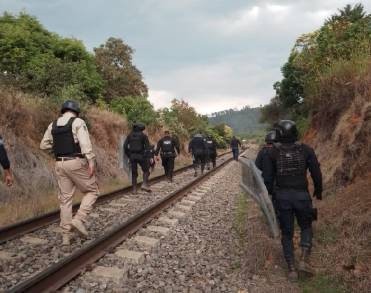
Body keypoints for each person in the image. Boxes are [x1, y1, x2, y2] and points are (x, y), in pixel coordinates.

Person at [261, 120, 322, 282]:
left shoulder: (271, 153)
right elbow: (316, 172)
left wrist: (272, 194)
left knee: (287, 233)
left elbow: (267, 178)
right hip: (302, 196)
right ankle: (303, 259)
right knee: (306, 226)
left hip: (282, 198)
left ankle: (291, 269)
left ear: (279, 134)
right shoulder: (306, 150)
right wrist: (318, 190)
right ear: (295, 132)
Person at [40, 100, 99, 250]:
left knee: (65, 199)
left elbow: (43, 145)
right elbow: (85, 144)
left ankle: (66, 236)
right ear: (76, 111)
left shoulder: (52, 124)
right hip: (76, 162)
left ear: (63, 110)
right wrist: (91, 161)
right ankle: (79, 219)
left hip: (59, 163)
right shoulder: (78, 122)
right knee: (92, 191)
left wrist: (58, 147)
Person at [124, 123, 151, 194]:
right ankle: (144, 184)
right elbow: (148, 147)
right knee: (146, 170)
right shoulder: (143, 135)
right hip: (141, 156)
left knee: (134, 173)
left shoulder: (130, 135)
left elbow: (125, 146)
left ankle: (134, 190)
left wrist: (129, 155)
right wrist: (146, 156)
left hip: (132, 156)